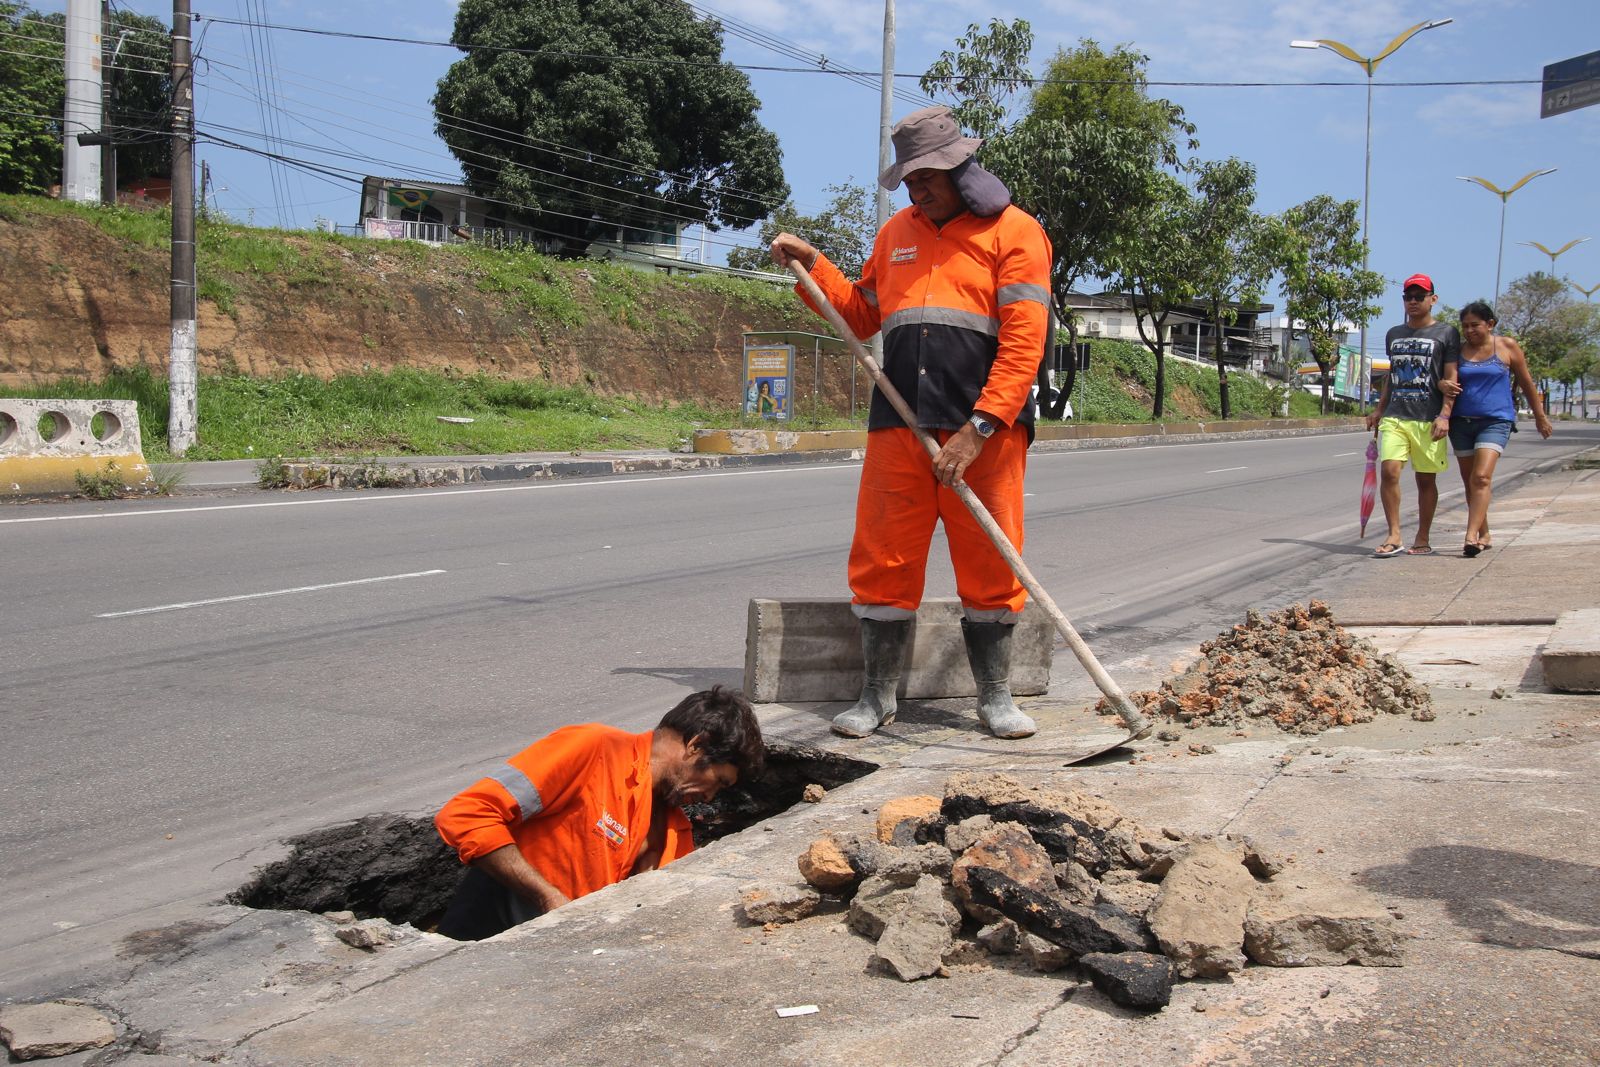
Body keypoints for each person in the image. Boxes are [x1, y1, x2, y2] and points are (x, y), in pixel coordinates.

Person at [768, 105, 1051, 740]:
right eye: (910, 178)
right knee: (883, 558)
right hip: (899, 425)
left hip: (986, 433)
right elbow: (863, 314)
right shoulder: (897, 231)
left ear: (961, 166)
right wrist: (813, 265)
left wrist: (978, 429)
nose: (917, 187)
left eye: (927, 176)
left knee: (990, 562)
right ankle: (877, 695)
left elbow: (1024, 343)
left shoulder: (1016, 233)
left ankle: (996, 696)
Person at [433, 687, 763, 940]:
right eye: (718, 781)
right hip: (489, 931)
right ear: (696, 745)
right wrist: (547, 897)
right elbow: (467, 813)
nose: (709, 796)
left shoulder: (673, 827)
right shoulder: (593, 749)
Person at [1364, 273, 1460, 558]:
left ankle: (1422, 536)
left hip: (1428, 418)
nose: (1414, 301)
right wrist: (1380, 409)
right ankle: (1394, 534)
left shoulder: (1446, 333)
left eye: (1420, 296)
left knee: (1426, 481)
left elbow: (1450, 377)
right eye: (1409, 297)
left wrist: (1445, 415)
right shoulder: (1394, 334)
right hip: (1396, 415)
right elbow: (1391, 377)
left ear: (1433, 299)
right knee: (1389, 470)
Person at [1451, 300, 1553, 556]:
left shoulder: (1506, 346)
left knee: (1481, 477)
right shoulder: (1458, 351)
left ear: (1490, 324)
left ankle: (1470, 535)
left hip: (1496, 421)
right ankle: (1484, 532)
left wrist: (1540, 416)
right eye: (1465, 326)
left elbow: (1526, 382)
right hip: (1461, 423)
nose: (1470, 330)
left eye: (1475, 325)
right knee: (1469, 481)